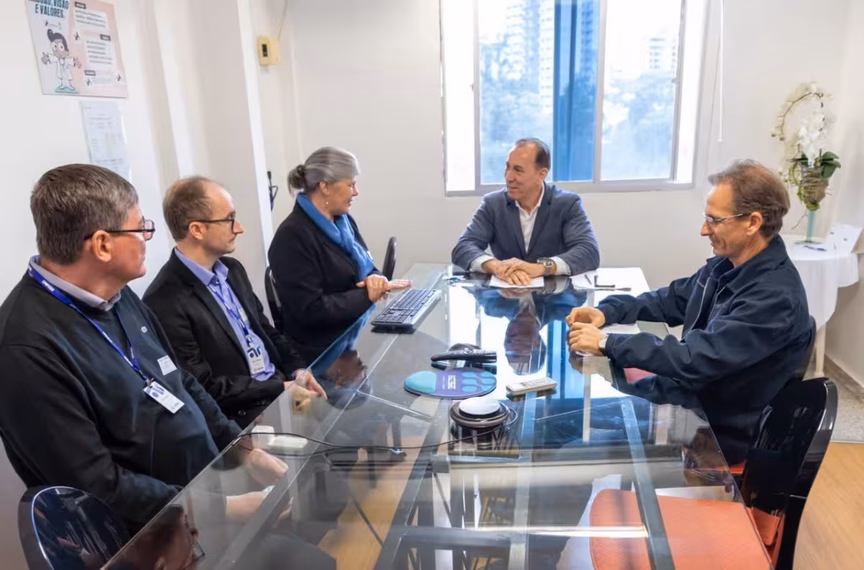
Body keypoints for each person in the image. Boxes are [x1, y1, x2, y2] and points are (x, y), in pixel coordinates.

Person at [0, 165, 289, 533]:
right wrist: (220, 509)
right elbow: (94, 484)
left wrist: (241, 448)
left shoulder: (117, 294)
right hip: (155, 533)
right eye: (140, 228)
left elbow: (180, 380)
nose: (148, 238)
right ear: (103, 245)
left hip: (203, 491)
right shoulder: (25, 348)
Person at [567, 159, 812, 459]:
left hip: (714, 431)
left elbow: (694, 357)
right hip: (687, 401)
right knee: (569, 421)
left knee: (572, 450)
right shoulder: (729, 265)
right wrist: (609, 311)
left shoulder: (774, 298)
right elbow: (672, 299)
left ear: (752, 223)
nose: (703, 230)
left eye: (715, 220)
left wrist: (607, 342)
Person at [144, 176, 326, 428]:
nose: (239, 228)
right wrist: (280, 387)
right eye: (229, 219)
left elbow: (268, 332)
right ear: (197, 230)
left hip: (281, 388)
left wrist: (298, 370)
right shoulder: (164, 300)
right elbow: (203, 386)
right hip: (245, 413)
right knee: (334, 435)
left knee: (344, 422)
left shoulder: (232, 270)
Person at [268, 147, 410, 362]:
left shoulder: (344, 221)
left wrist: (376, 279)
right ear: (325, 186)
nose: (356, 192)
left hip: (353, 333)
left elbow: (368, 266)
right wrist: (368, 294)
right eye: (350, 185)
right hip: (321, 354)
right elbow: (310, 311)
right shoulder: (292, 236)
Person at [451, 138, 600, 285]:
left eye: (518, 170)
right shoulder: (493, 204)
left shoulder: (567, 204)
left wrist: (541, 268)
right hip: (506, 293)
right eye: (507, 167)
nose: (509, 177)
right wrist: (497, 266)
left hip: (554, 296)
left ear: (541, 174)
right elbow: (463, 247)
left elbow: (589, 252)